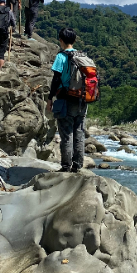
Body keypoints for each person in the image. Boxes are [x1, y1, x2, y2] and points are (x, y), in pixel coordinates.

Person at [46, 27, 86, 172]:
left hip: (65, 99)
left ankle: (66, 166)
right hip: (82, 100)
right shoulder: (82, 56)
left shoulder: (61, 57)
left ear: (61, 40)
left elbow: (56, 79)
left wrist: (50, 98)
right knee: (79, 133)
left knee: (66, 133)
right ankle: (78, 166)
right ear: (74, 40)